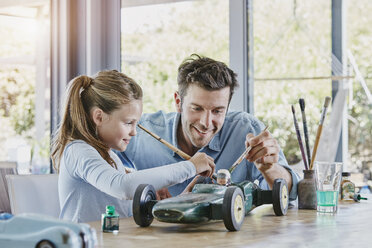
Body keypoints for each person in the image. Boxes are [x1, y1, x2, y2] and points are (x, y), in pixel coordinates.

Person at [116, 54, 299, 201]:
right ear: (178, 102)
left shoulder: (246, 130)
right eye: (197, 108)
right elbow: (98, 165)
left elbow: (292, 194)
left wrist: (270, 169)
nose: (206, 122)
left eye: (218, 111)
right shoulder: (143, 131)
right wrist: (141, 185)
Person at [51, 70, 215, 223]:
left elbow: (123, 213)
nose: (134, 132)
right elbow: (123, 186)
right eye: (129, 123)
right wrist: (190, 166)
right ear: (99, 117)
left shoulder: (111, 158)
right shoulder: (78, 151)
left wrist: (167, 200)